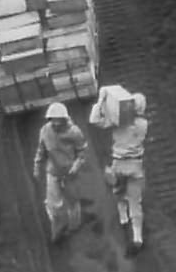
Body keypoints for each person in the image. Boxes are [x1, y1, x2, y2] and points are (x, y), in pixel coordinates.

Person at [89, 88, 149, 255]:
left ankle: (123, 216)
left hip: (119, 165)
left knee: (117, 189)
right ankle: (137, 236)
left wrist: (101, 100)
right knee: (136, 201)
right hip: (136, 166)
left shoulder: (117, 122)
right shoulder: (143, 125)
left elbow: (94, 120)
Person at [32, 101, 87, 244]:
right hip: (53, 173)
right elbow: (41, 151)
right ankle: (57, 228)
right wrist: (37, 167)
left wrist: (75, 167)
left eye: (59, 120)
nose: (56, 123)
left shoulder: (74, 132)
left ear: (64, 119)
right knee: (54, 206)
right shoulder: (45, 131)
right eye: (53, 120)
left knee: (73, 202)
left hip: (70, 174)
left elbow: (82, 153)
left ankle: (74, 226)